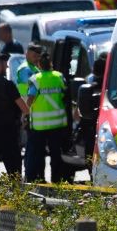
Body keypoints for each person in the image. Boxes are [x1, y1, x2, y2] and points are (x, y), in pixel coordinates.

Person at [25, 52, 69, 183]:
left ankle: (41, 179)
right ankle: (57, 179)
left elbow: (30, 99)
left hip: (40, 125)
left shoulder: (35, 79)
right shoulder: (59, 76)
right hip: (57, 124)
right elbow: (65, 94)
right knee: (56, 154)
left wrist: (25, 114)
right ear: (51, 64)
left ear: (39, 65)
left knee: (39, 154)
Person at [75, 54, 106, 174]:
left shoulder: (88, 88)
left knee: (90, 157)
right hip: (102, 129)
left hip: (90, 129)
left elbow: (77, 113)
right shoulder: (114, 86)